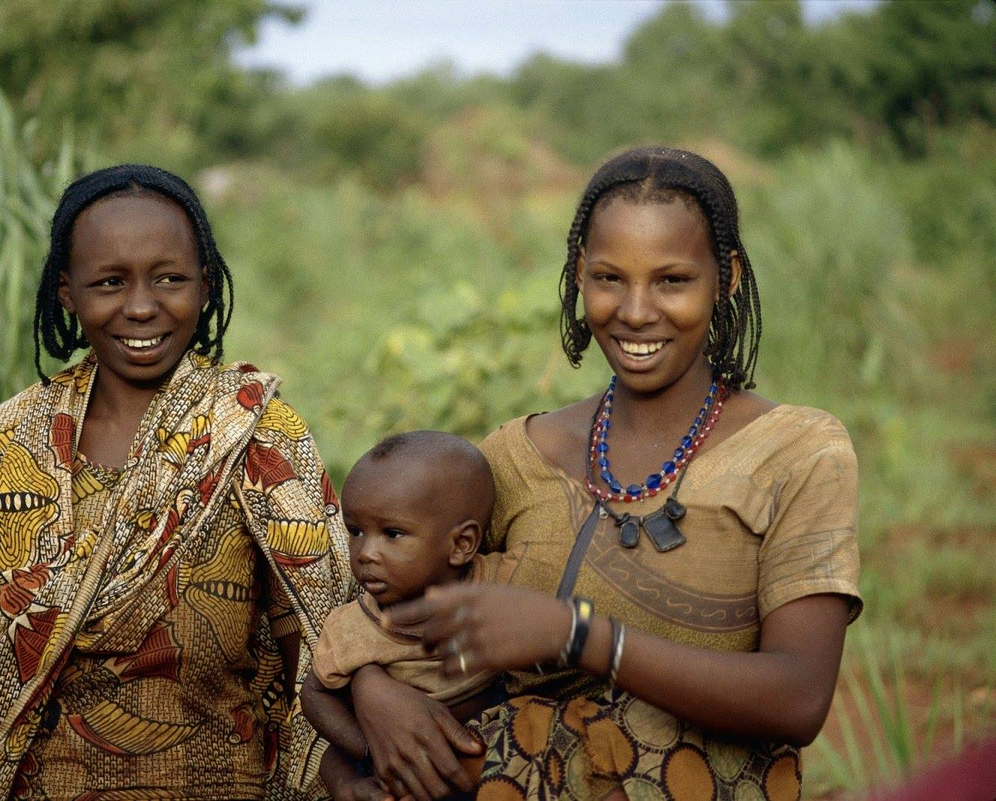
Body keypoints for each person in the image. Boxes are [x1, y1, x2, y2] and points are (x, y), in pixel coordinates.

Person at [351, 146, 863, 800]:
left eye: (672, 280)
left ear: (726, 278)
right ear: (579, 274)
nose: (637, 310)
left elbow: (798, 695)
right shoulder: (517, 454)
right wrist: (371, 695)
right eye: (609, 277)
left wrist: (578, 635)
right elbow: (377, 600)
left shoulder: (797, 452)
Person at [0, 165, 355, 800]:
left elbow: (320, 634)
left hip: (217, 784)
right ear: (67, 292)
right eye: (110, 282)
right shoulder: (13, 436)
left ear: (205, 285)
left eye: (170, 278)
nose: (143, 306)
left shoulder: (254, 430)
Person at [300, 431, 513, 801]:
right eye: (355, 532)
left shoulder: (500, 586)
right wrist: (368, 746)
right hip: (394, 761)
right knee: (332, 760)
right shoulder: (353, 627)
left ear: (461, 545)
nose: (365, 552)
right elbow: (314, 694)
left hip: (482, 753)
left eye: (392, 534)